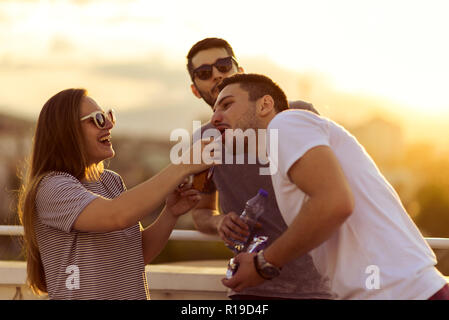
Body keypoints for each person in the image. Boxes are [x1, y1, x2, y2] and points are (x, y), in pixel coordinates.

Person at [216, 73, 449, 299]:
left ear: (265, 105)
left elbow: (334, 203)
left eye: (226, 104)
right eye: (214, 110)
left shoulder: (285, 122)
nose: (214, 118)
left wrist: (262, 264)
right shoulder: (283, 152)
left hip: (398, 291)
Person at [17, 88, 214, 300]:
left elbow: (136, 254)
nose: (110, 125)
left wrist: (170, 213)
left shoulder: (111, 181)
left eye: (108, 116)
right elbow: (116, 216)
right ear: (67, 132)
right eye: (98, 119)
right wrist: (182, 167)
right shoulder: (52, 187)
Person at [186, 37, 333, 299]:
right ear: (196, 89)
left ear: (239, 70)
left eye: (224, 65)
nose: (218, 75)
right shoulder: (202, 141)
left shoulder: (295, 113)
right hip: (248, 287)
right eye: (205, 73)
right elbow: (201, 212)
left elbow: (331, 192)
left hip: (317, 287)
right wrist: (219, 221)